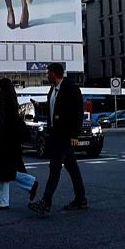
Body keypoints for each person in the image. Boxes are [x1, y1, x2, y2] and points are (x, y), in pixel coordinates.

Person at [28, 63, 88, 215]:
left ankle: (46, 202)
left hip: (65, 135)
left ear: (55, 74)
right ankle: (81, 199)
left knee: (54, 167)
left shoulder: (70, 88)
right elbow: (51, 108)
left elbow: (78, 112)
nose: (46, 75)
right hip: (56, 134)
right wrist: (39, 106)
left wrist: (75, 134)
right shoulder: (53, 90)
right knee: (72, 168)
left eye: (48, 73)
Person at [0, 78, 38, 211]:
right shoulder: (11, 101)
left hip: (5, 140)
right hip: (11, 140)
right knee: (5, 169)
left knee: (3, 170)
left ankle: (4, 199)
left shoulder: (3, 102)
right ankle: (2, 200)